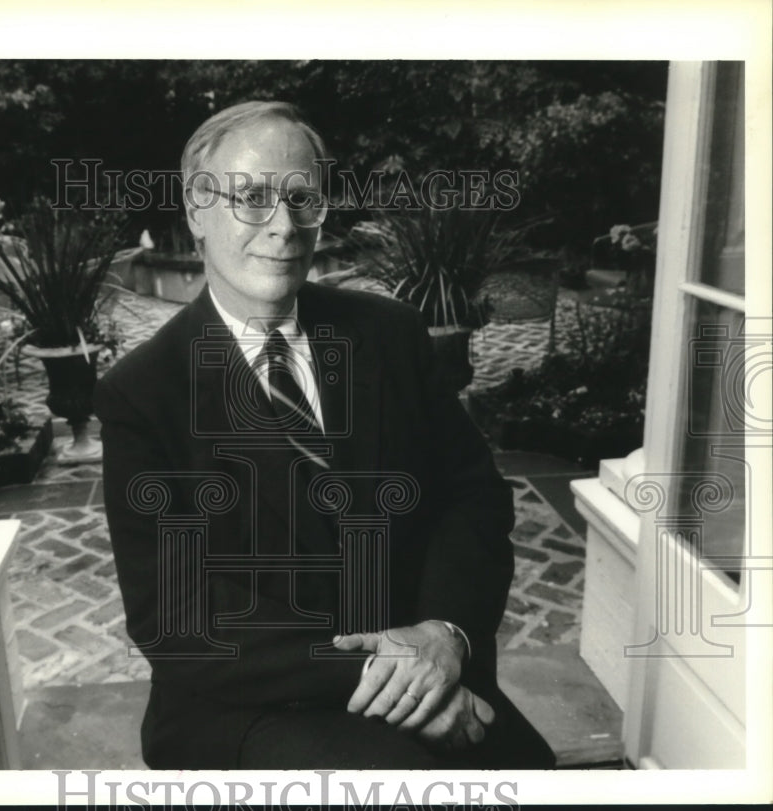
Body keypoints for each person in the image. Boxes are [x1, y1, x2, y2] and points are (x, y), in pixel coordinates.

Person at [94, 100, 554, 770]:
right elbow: (182, 616)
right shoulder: (144, 391)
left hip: (423, 660)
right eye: (250, 198)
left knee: (529, 771)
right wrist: (388, 672)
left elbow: (471, 497)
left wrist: (443, 634)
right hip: (250, 701)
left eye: (302, 197)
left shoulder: (388, 333)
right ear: (196, 210)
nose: (283, 227)